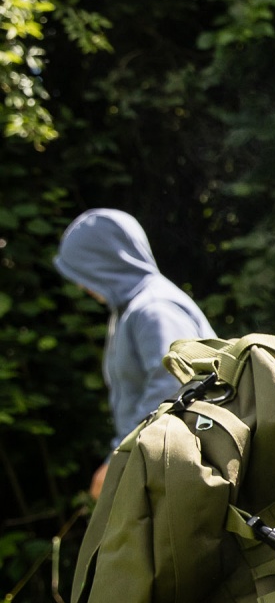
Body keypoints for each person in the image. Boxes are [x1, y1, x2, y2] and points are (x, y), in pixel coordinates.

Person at [53, 209, 214, 498]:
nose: (81, 285)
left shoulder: (155, 310)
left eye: (85, 271)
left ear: (105, 262)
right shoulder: (131, 309)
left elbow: (175, 387)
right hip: (159, 466)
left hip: (182, 474)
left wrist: (119, 460)